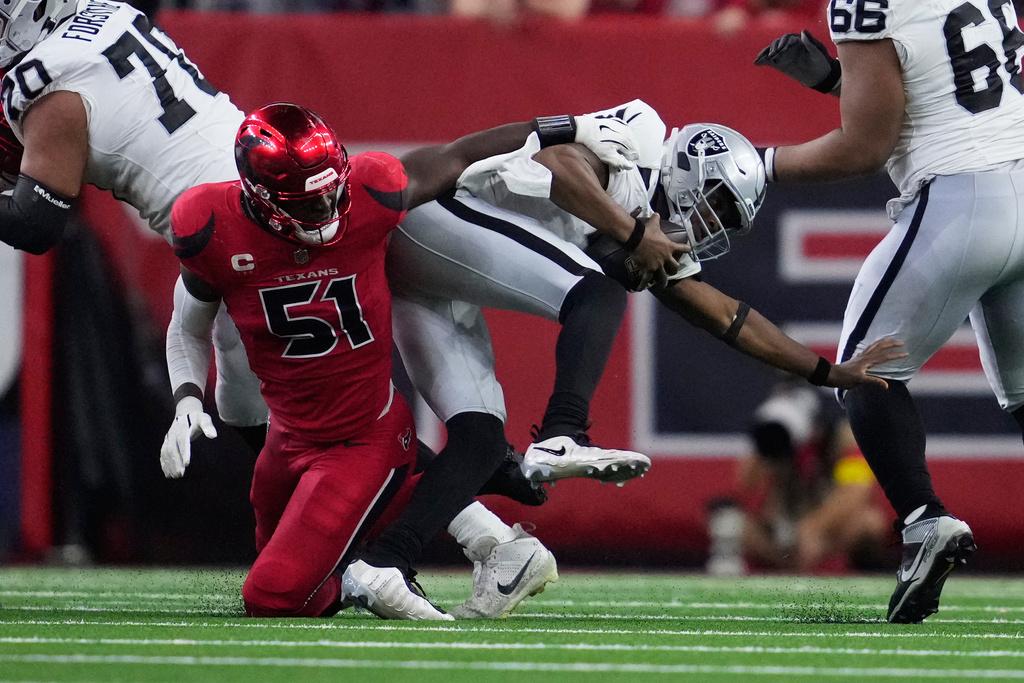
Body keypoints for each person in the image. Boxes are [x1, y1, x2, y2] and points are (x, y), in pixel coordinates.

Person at [362, 98, 905, 619]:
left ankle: (384, 564)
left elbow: (727, 317)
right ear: (693, 169)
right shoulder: (640, 138)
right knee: (595, 293)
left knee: (479, 440)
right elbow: (560, 163)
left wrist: (825, 371)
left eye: (726, 218)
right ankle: (562, 434)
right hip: (432, 212)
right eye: (717, 203)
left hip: (432, 275)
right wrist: (633, 233)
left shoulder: (649, 222)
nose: (713, 223)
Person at [164, 102, 655, 620]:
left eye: (332, 191)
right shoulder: (209, 226)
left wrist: (569, 127)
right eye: (308, 203)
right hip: (287, 439)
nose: (328, 209)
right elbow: (187, 327)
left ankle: (393, 563)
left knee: (272, 596)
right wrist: (186, 401)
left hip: (362, 439)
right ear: (260, 198)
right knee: (298, 572)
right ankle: (493, 513)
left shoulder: (369, 192)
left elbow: (462, 154)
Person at [750, 0, 1024, 621]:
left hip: (961, 200)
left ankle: (925, 521)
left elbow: (865, 148)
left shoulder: (864, 4)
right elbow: (947, 91)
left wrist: (757, 165)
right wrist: (834, 80)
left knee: (861, 370)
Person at [0, 0, 270, 451]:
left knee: (287, 427)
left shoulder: (47, 81)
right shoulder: (108, 11)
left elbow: (34, 223)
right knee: (259, 414)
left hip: (234, 237)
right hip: (258, 182)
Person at [706, 381, 888, 576]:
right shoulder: (777, 443)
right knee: (728, 522)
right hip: (784, 525)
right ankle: (772, 569)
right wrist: (764, 444)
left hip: (828, 526)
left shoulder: (843, 439)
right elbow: (747, 482)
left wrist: (815, 526)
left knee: (870, 522)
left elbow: (855, 491)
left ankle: (855, 573)